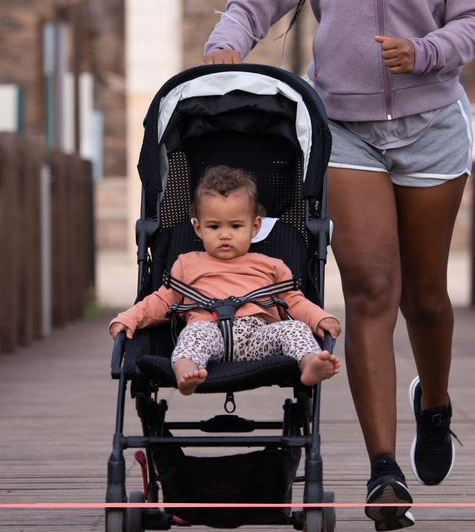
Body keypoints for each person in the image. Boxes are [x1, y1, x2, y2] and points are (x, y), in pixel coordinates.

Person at [201, 0, 475, 531]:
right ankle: (384, 472)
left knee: (425, 295)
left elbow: (474, 18)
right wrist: (226, 43)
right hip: (347, 130)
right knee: (370, 288)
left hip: (431, 124)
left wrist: (424, 51)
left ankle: (434, 402)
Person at [109, 165, 342, 395]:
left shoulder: (272, 265)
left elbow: (295, 302)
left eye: (236, 226)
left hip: (258, 338)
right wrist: (129, 318)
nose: (225, 234)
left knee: (295, 329)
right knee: (193, 335)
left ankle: (310, 363)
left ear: (255, 227)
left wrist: (321, 318)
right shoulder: (186, 264)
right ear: (198, 229)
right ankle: (185, 372)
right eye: (214, 226)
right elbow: (161, 301)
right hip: (209, 334)